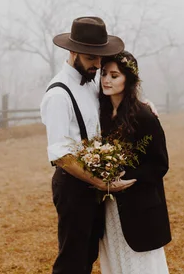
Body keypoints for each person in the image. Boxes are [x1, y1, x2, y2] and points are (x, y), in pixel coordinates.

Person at [40, 16, 136, 274]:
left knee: (89, 253)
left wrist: (144, 104)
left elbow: (119, 98)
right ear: (73, 52)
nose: (98, 64)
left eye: (100, 57)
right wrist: (102, 184)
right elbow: (61, 154)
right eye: (92, 57)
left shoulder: (92, 80)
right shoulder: (59, 95)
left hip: (94, 184)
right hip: (73, 186)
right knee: (72, 261)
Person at [98, 51, 172, 273]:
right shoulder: (100, 112)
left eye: (114, 75)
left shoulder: (143, 115)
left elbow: (160, 163)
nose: (106, 80)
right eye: (103, 74)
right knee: (115, 260)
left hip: (139, 205)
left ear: (128, 79)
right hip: (110, 205)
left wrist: (128, 177)